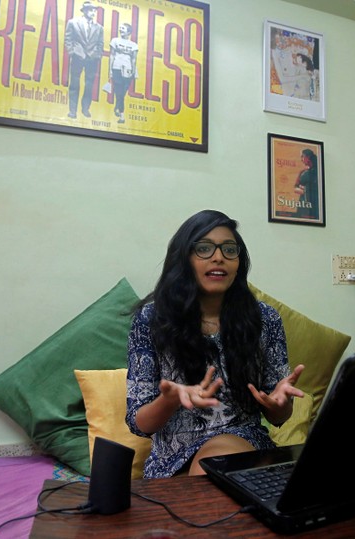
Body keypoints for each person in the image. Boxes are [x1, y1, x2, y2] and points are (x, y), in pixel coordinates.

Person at [126, 210, 305, 478]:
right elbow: (139, 424)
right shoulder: (151, 320)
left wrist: (279, 405)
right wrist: (170, 400)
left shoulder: (264, 319)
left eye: (229, 249)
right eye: (204, 248)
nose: (218, 257)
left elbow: (279, 416)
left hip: (241, 444)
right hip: (171, 461)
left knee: (218, 460)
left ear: (238, 263)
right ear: (184, 258)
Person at [64, 1, 104, 119]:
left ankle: (85, 109)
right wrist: (72, 52)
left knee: (89, 85)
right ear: (85, 11)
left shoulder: (99, 27)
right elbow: (68, 39)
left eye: (94, 10)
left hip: (92, 59)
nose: (93, 13)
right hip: (78, 56)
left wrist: (98, 55)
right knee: (74, 84)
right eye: (91, 10)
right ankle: (72, 111)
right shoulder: (73, 22)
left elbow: (100, 43)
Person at [109, 22, 139, 124]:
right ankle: (122, 116)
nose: (120, 30)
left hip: (128, 70)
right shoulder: (115, 40)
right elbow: (112, 55)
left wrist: (134, 72)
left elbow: (134, 59)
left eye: (123, 28)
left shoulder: (133, 45)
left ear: (129, 32)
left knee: (122, 92)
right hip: (117, 68)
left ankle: (117, 107)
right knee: (119, 92)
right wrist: (110, 70)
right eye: (120, 28)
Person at [294, 148, 319, 219]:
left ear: (308, 157)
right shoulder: (302, 172)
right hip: (303, 203)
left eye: (302, 156)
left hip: (315, 202)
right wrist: (304, 190)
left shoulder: (318, 171)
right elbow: (295, 188)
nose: (301, 159)